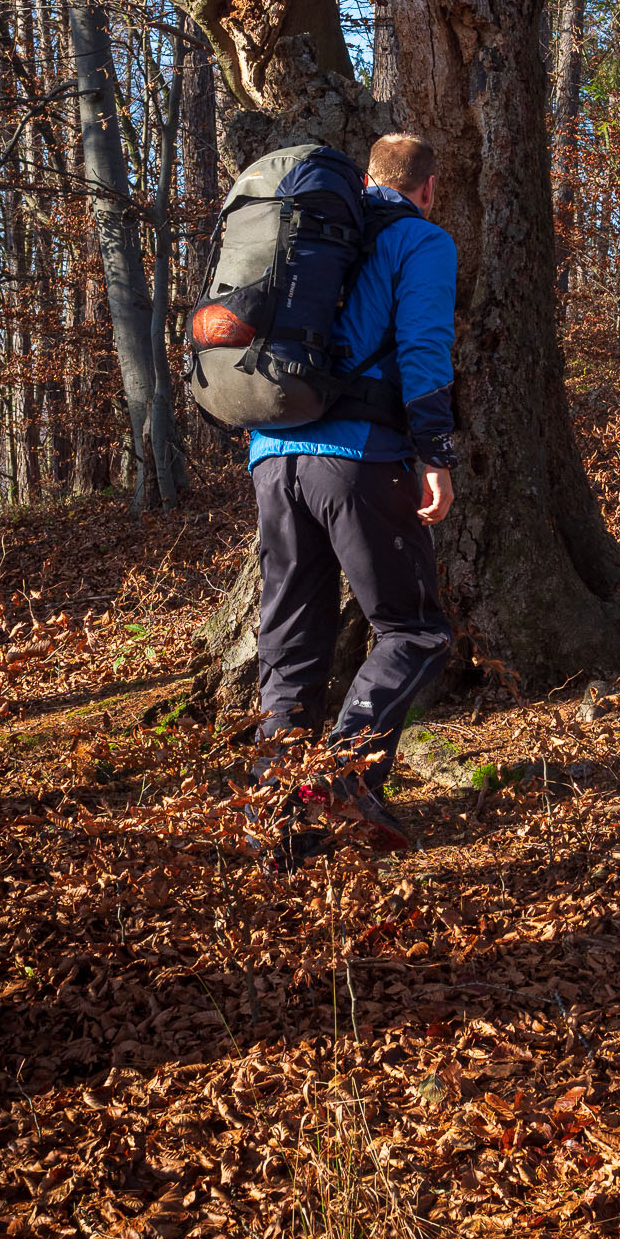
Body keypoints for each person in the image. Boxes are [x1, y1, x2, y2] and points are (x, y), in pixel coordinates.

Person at [249, 132, 457, 862]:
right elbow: (425, 349)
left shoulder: (308, 228)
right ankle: (342, 774)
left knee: (292, 642)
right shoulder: (421, 242)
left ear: (366, 179)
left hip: (272, 456)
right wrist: (434, 454)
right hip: (361, 459)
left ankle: (274, 823)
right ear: (427, 189)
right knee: (415, 630)